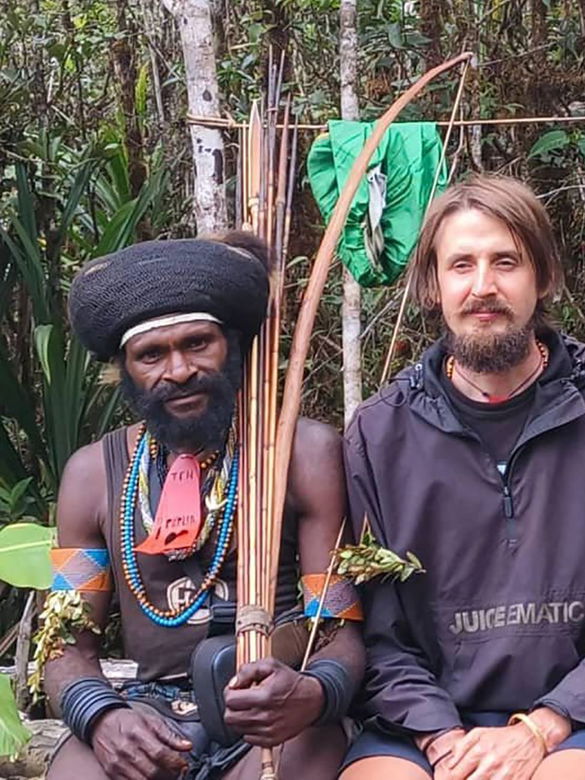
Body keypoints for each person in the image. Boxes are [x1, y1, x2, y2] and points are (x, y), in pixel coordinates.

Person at [339, 173, 585, 780]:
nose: (483, 287)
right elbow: (378, 634)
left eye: (506, 262)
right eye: (461, 265)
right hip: (422, 725)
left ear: (542, 276)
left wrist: (544, 726)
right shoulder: (377, 434)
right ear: (432, 286)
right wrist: (443, 739)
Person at [44, 233, 364, 780]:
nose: (178, 370)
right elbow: (64, 646)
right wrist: (102, 719)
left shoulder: (301, 454)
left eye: (198, 344)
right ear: (126, 369)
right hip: (146, 712)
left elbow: (339, 631)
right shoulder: (92, 476)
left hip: (275, 715)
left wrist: (311, 694)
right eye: (151, 355)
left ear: (233, 345)